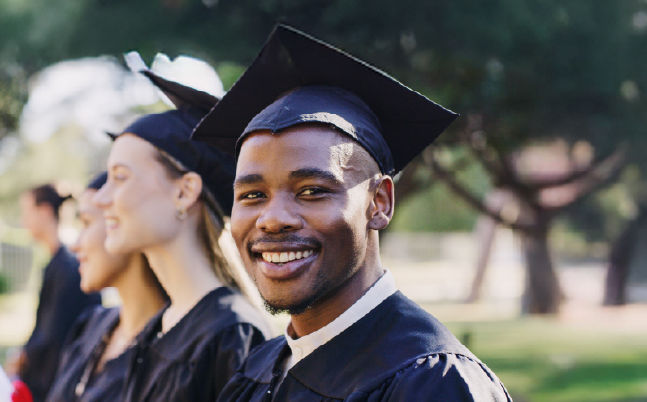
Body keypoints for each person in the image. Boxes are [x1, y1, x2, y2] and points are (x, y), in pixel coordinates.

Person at [192, 25, 512, 401]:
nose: (273, 218)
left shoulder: (431, 382)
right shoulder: (258, 372)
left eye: (311, 191)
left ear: (379, 203)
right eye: (252, 194)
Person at [93, 69, 271, 401]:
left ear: (184, 192)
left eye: (119, 177)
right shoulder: (160, 325)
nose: (101, 198)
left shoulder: (232, 334)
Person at [45, 172, 168, 402]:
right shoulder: (92, 326)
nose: (76, 245)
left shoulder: (175, 352)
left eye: (87, 223)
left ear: (124, 225)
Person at [13, 184, 101, 402]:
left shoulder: (69, 269)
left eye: (27, 212)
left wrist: (23, 358)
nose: (23, 221)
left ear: (44, 211)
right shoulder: (57, 265)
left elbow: (53, 336)